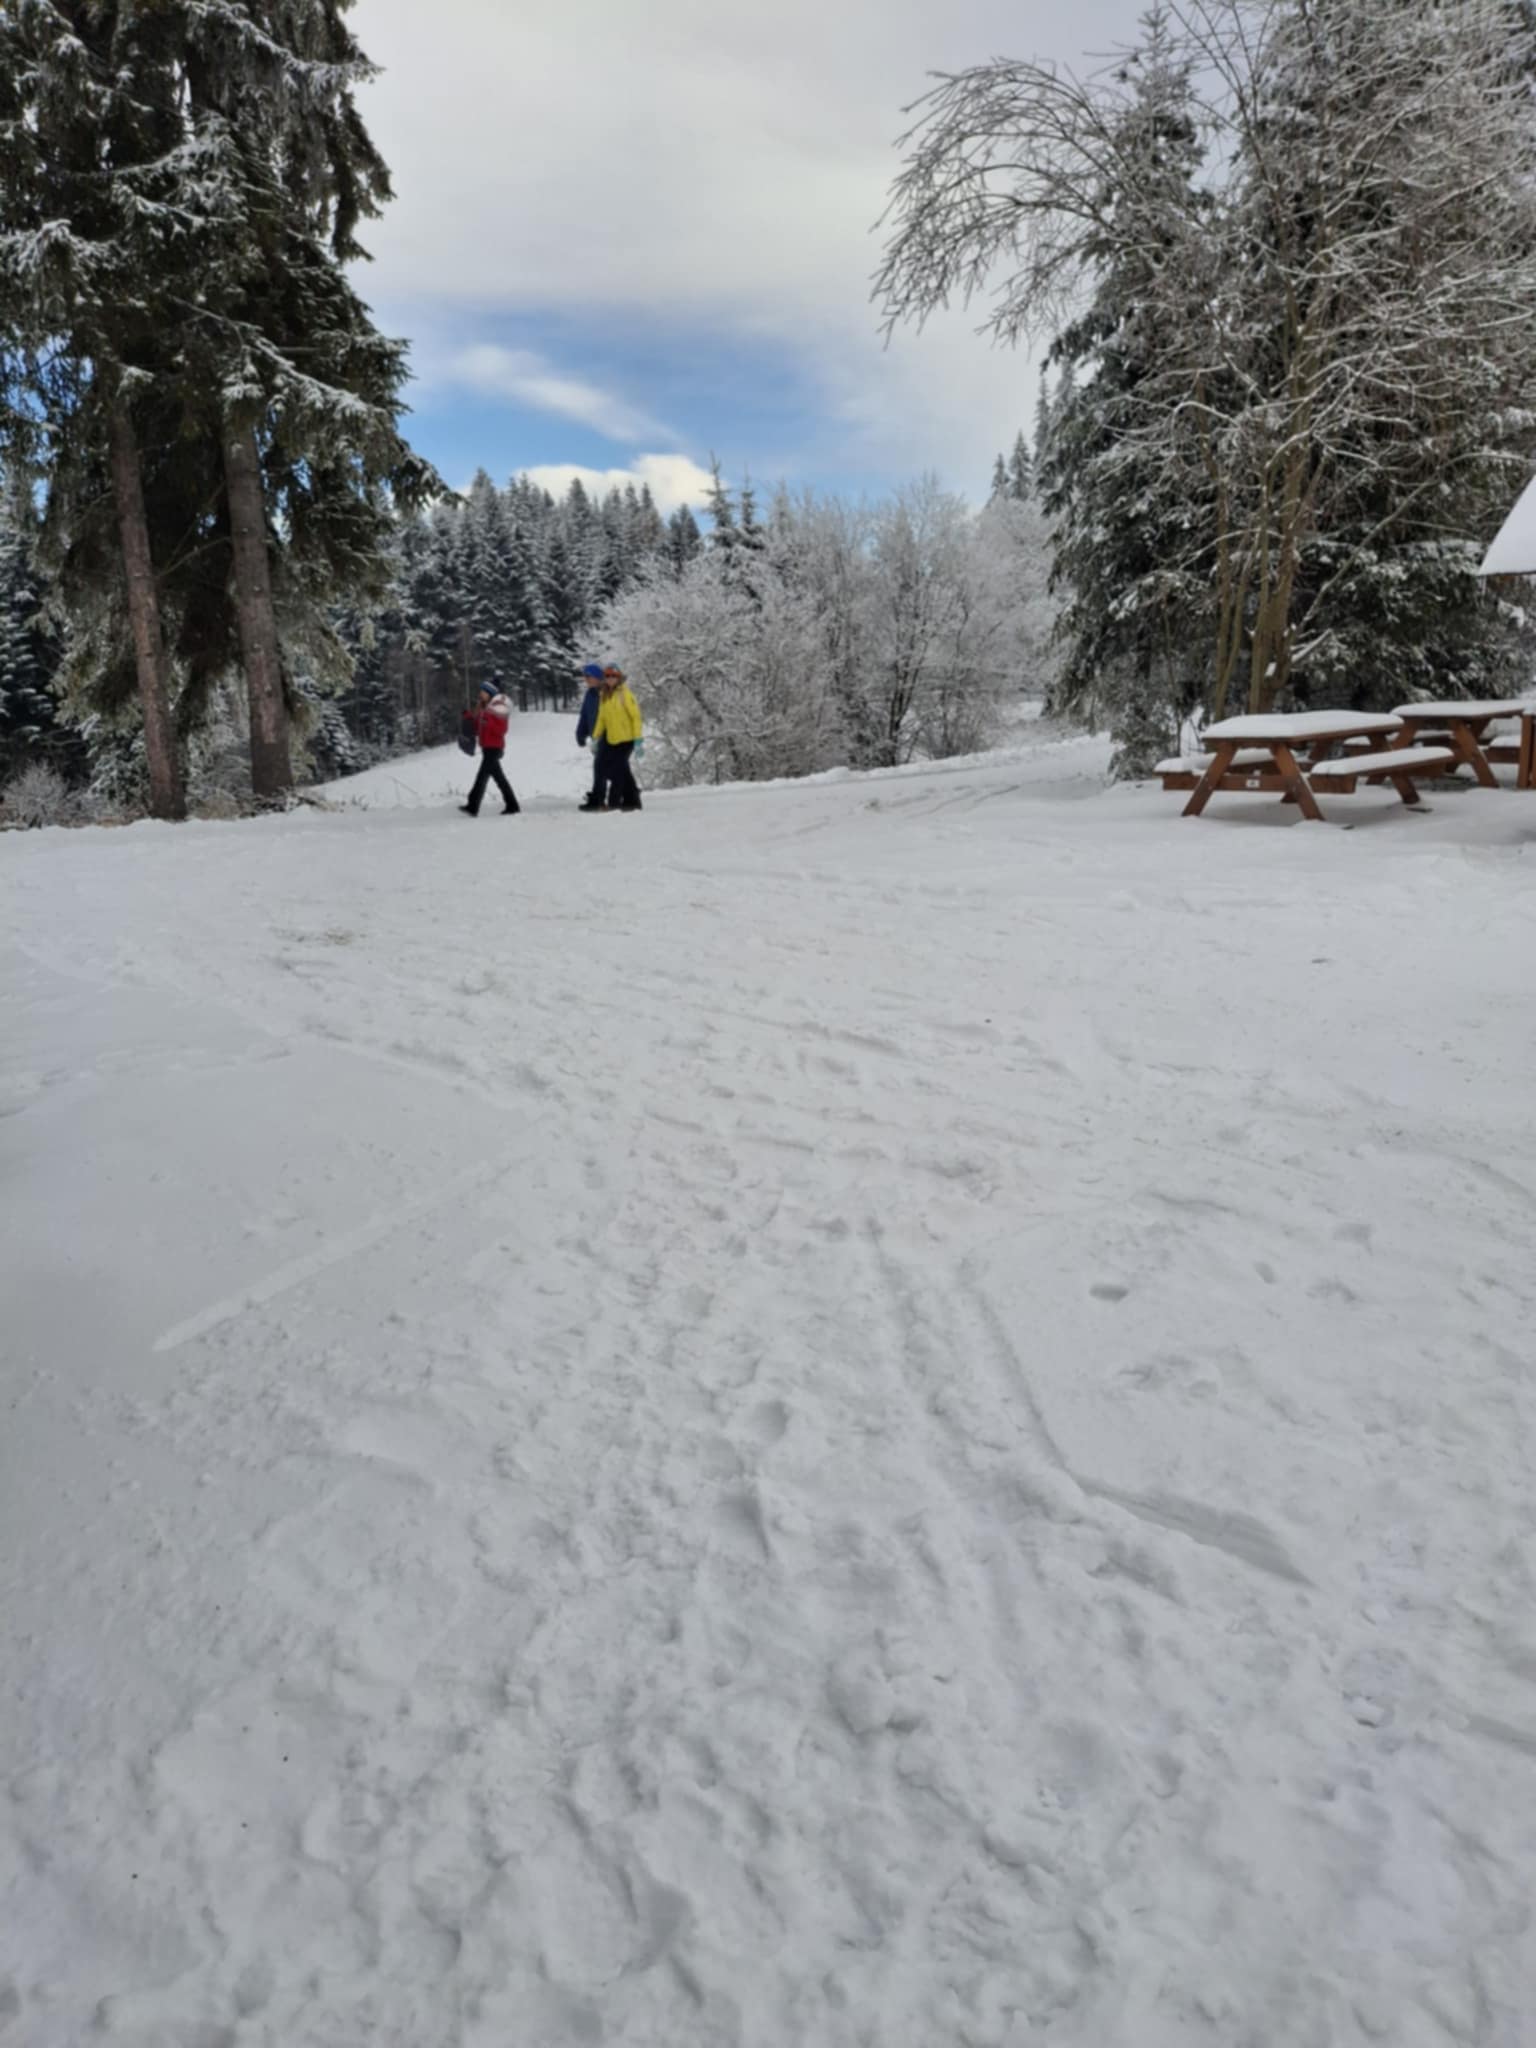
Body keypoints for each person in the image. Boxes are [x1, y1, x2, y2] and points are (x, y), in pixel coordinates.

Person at [460, 679, 520, 816]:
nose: (480, 693)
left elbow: (502, 730)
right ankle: (512, 805)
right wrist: (468, 717)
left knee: (481, 777)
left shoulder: (499, 708)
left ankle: (472, 806)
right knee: (499, 779)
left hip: (494, 748)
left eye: (483, 691)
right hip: (487, 747)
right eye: (481, 691)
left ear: (490, 694)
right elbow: (477, 727)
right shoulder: (482, 708)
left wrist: (488, 721)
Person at [591, 665, 643, 811]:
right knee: (603, 768)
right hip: (611, 739)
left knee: (618, 770)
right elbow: (601, 718)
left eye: (613, 676)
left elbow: (636, 717)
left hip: (626, 740)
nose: (610, 679)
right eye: (607, 676)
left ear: (619, 677)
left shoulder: (624, 694)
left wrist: (638, 740)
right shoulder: (604, 695)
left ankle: (614, 803)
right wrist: (596, 737)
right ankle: (633, 800)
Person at [575, 662, 609, 812]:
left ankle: (598, 799)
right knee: (613, 769)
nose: (586, 680)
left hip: (609, 737)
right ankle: (629, 792)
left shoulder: (607, 693)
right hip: (595, 737)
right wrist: (580, 733)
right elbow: (584, 715)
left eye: (589, 677)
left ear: (597, 677)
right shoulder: (589, 694)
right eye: (585, 677)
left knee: (600, 768)